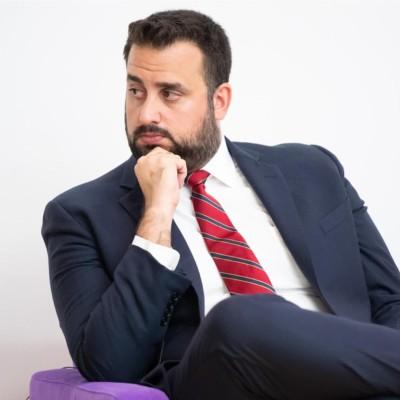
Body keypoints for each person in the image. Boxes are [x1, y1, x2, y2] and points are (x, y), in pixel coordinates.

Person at [42, 9, 400, 400]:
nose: (146, 114)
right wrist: (156, 214)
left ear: (219, 101)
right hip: (220, 379)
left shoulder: (313, 170)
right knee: (238, 317)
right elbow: (107, 364)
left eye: (170, 93)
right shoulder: (79, 215)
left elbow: (389, 300)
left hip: (357, 380)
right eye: (136, 91)